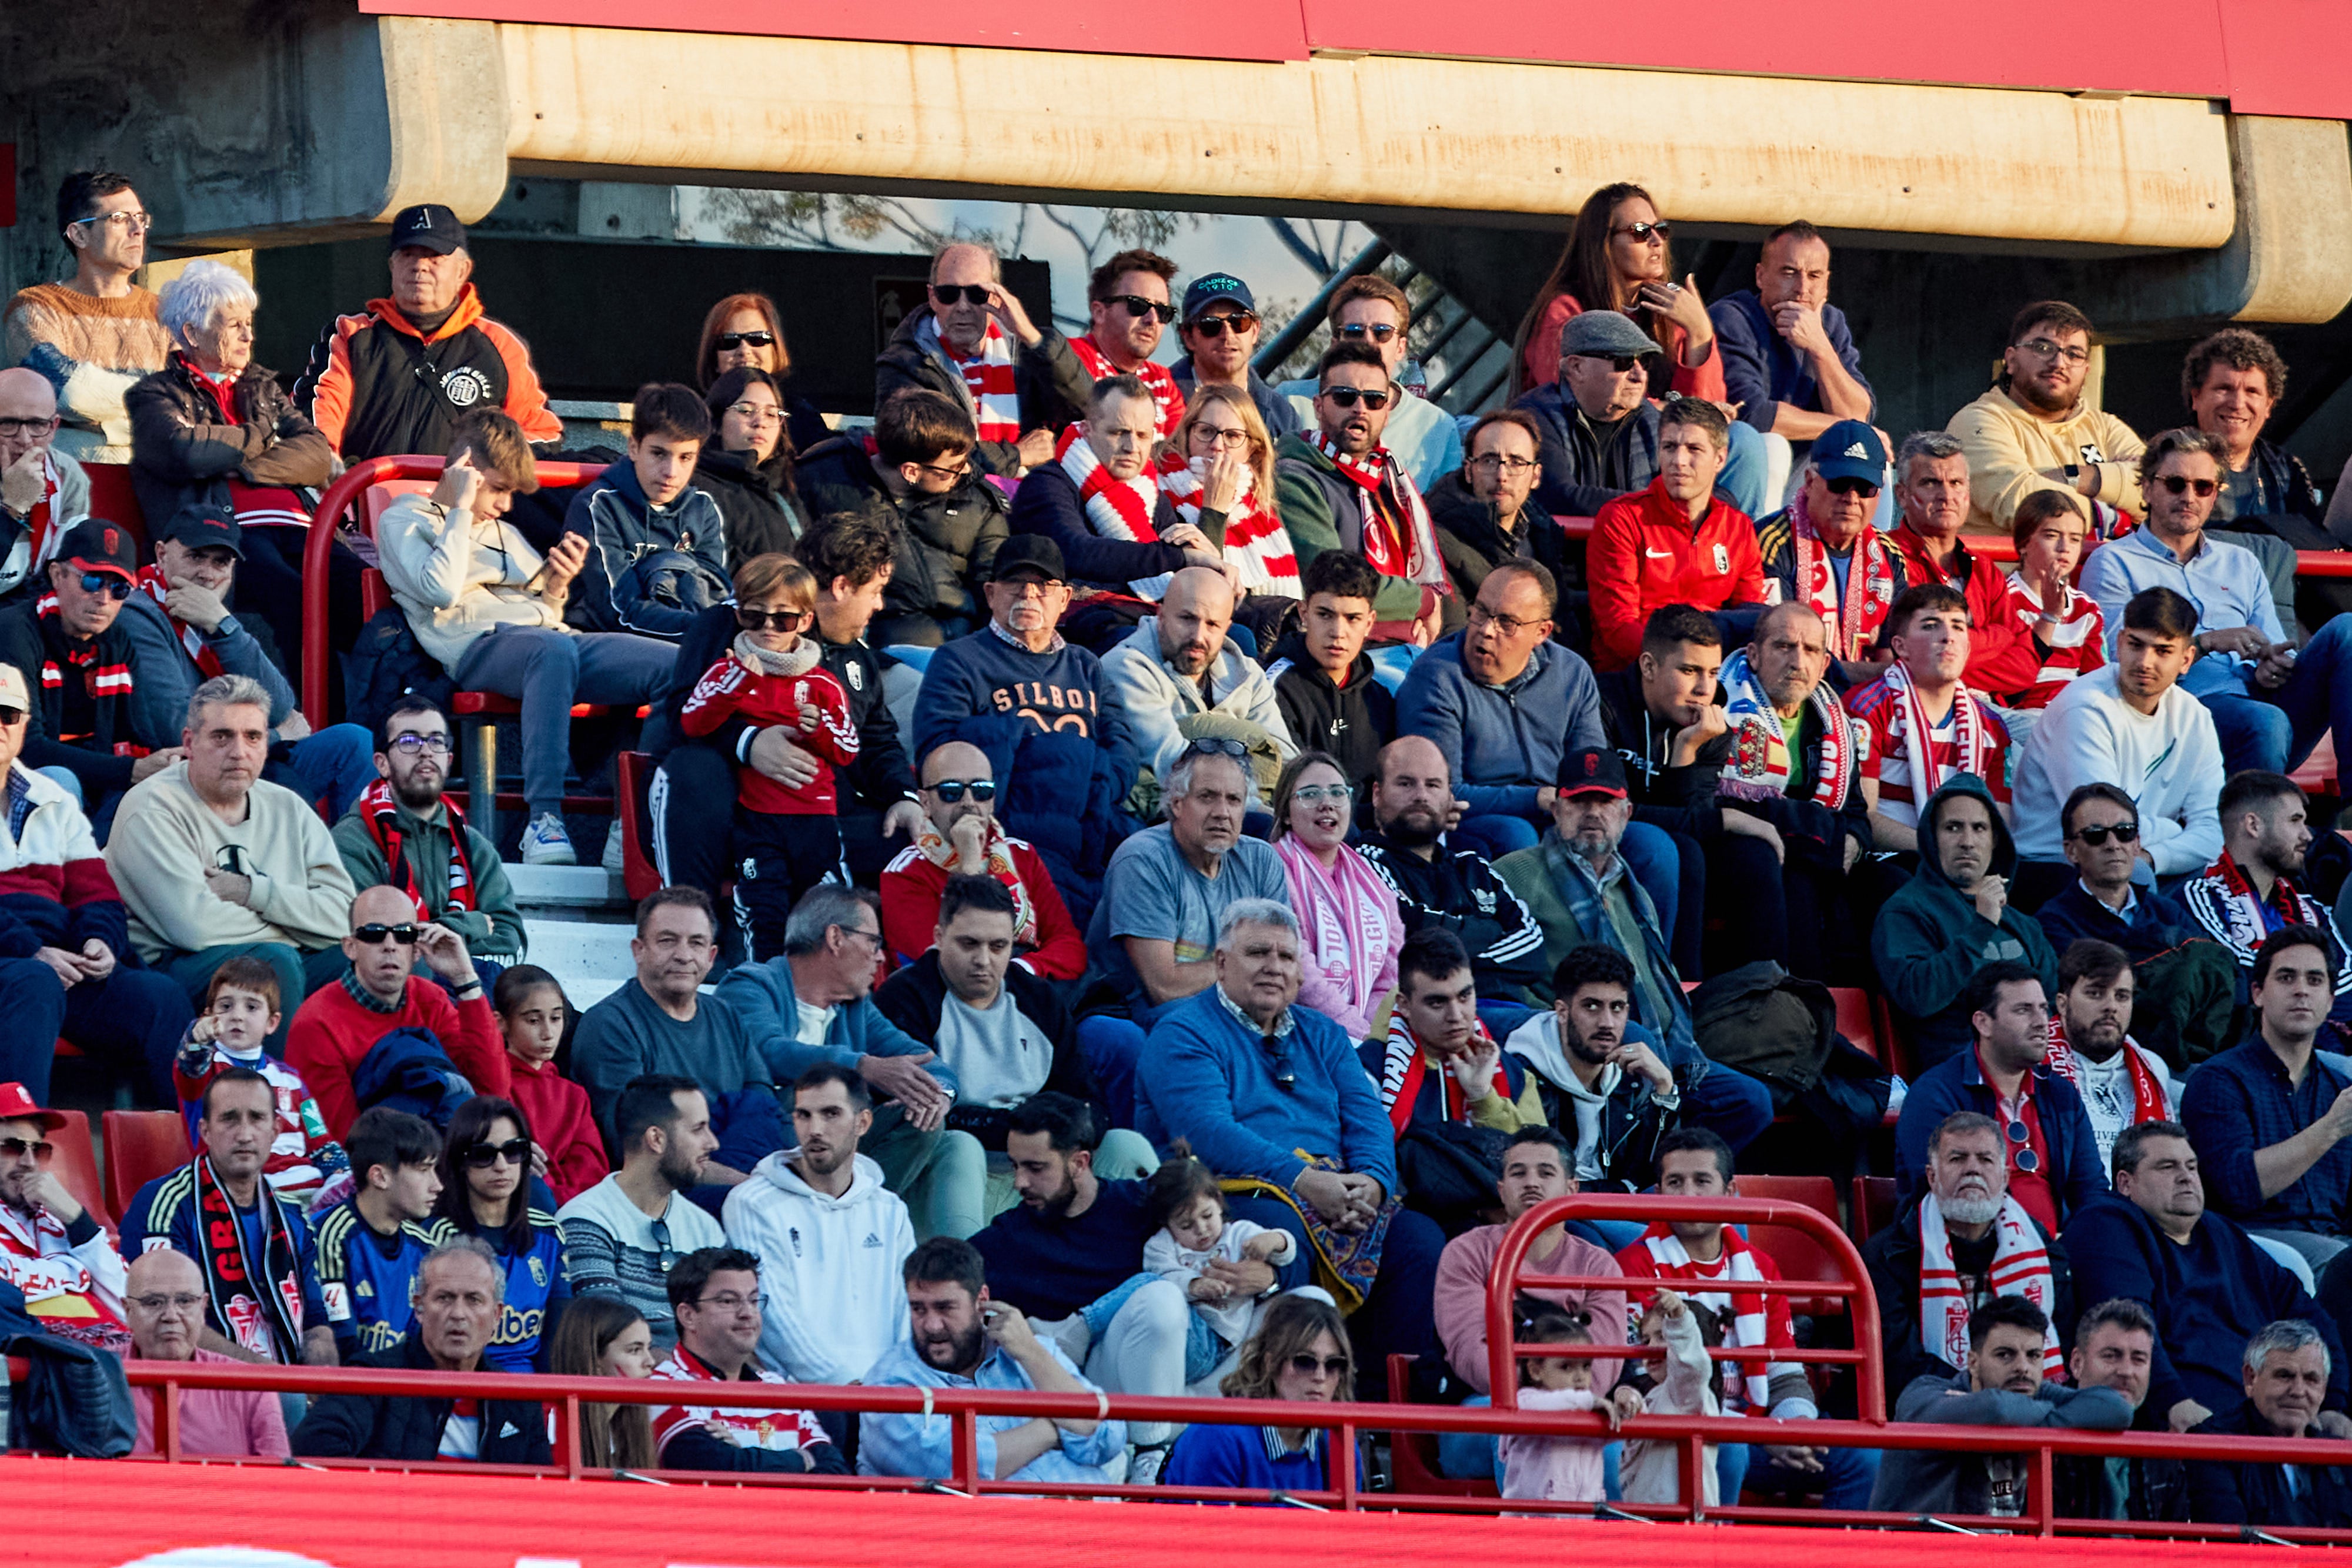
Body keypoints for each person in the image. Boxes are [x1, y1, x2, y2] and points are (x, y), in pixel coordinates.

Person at [1135, 899, 1446, 1384]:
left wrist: (1371, 1184)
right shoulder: (1181, 1032)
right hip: (1230, 1192)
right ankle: (1288, 1413)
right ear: (1220, 963)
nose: (1274, 967)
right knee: (1283, 1233)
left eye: (1286, 956)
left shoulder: (1323, 1032)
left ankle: (1383, 1425)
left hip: (1335, 1186)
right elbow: (1208, 1133)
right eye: (1258, 952)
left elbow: (1369, 1120)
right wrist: (1306, 1182)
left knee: (1419, 1242)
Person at [376, 410, 674, 867]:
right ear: (466, 471)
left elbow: (547, 612)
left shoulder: (506, 531)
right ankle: (545, 819)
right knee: (550, 652)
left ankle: (629, 822)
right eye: (497, 488)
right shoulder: (405, 518)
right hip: (478, 648)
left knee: (676, 665)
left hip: (549, 642)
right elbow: (440, 589)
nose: (506, 505)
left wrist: (557, 584)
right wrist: (459, 506)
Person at [652, 516, 920, 902]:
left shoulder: (858, 659)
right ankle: (693, 928)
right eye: (876, 591)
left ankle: (870, 955)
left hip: (816, 819)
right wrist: (750, 744)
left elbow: (877, 740)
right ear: (843, 587)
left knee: (913, 840)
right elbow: (681, 715)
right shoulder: (731, 623)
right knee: (694, 768)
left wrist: (903, 795)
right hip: (734, 815)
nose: (879, 605)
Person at [970, 1092, 1235, 1467]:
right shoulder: (1008, 1240)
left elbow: (1225, 1230)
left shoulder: (1142, 1206)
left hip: (1184, 1377)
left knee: (1305, 1304)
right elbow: (945, 1275)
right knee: (1158, 1296)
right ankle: (1151, 1453)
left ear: (1080, 1162)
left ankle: (1174, 1430)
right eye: (1015, 1166)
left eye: (1035, 1168)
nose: (1020, 1182)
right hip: (1096, 1400)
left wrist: (1272, 1274)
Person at [1620, 1126, 1876, 1506]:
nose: (1689, 1195)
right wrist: (1760, 1436)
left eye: (1702, 1181)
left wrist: (1795, 1430)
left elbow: (1785, 1374)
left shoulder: (1760, 1267)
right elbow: (1646, 1384)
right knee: (1729, 1452)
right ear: (1657, 1195)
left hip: (1762, 1433)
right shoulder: (1633, 1265)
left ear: (1730, 1193)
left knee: (1865, 1459)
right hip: (1681, 1432)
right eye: (1676, 1182)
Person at [2080, 427, 2352, 781]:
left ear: (2214, 495)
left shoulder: (2243, 562)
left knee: (2346, 629)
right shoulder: (2114, 562)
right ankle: (2257, 830)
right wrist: (2206, 644)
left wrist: (2274, 665)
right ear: (2147, 488)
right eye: (2176, 484)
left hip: (2265, 703)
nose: (2189, 497)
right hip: (2182, 714)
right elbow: (2115, 664)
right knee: (2265, 722)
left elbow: (2272, 646)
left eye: (2203, 487)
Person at [715, 884, 977, 1237]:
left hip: (834, 1151)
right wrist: (861, 1067)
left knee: (936, 1128)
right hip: (769, 1149)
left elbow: (932, 1064)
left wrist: (937, 1095)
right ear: (836, 938)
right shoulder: (750, 985)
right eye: (873, 942)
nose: (881, 957)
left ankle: (861, 1228)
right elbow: (769, 1050)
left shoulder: (856, 1008)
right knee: (820, 1098)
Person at [106, 674, 357, 1035]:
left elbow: (344, 916)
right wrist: (301, 922)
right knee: (273, 965)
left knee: (381, 956)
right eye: (222, 737)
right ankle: (270, 1090)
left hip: (279, 955)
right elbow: (195, 927)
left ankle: (388, 1085)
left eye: (253, 737)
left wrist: (250, 892)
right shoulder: (152, 808)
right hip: (174, 969)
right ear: (190, 743)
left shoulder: (290, 807)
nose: (239, 752)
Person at [2066, 1121, 2348, 1430]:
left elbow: (2309, 1317)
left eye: (2191, 1166)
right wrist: (2172, 1402)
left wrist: (2333, 1403)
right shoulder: (2106, 1225)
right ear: (2125, 1183)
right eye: (2167, 1167)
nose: (2185, 1176)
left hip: (2263, 1422)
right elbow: (2128, 1325)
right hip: (2183, 1428)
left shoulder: (2222, 1233)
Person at [909, 536, 1140, 910]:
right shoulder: (958, 660)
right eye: (1015, 582)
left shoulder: (1087, 666)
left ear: (1065, 599)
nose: (1028, 593)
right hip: (1008, 822)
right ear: (990, 594)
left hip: (1090, 817)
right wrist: (1049, 758)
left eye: (1044, 585)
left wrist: (1091, 788)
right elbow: (937, 752)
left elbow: (1123, 746)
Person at [125, 260, 333, 664]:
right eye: (234, 324)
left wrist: (244, 465)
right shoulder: (155, 395)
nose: (249, 335)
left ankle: (366, 723)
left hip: (304, 526)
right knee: (295, 594)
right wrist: (262, 436)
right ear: (192, 333)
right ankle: (311, 721)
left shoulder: (262, 388)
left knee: (360, 589)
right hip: (233, 535)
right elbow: (185, 451)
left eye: (249, 323)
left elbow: (317, 454)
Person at [0, 664, 189, 1106]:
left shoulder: (54, 798)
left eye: (8, 715)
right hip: (20, 964)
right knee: (34, 983)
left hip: (60, 963)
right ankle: (17, 1154)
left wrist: (98, 941)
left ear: (25, 725)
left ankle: (197, 1159)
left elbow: (97, 893)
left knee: (161, 998)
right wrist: (31, 948)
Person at [119, 502, 372, 820]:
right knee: (284, 782)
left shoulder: (214, 616)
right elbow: (177, 728)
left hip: (239, 756)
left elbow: (280, 704)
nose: (207, 574)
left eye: (221, 562)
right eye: (195, 556)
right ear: (161, 554)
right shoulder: (137, 614)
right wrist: (277, 738)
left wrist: (222, 624)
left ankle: (353, 863)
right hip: (181, 771)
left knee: (353, 742)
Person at [1081, 741, 1288, 1119]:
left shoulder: (1261, 862)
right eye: (1207, 797)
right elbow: (1164, 987)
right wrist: (1246, 966)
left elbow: (1284, 972)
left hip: (1229, 1017)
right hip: (1132, 1013)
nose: (1222, 813)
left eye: (1234, 800)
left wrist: (1256, 974)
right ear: (1177, 803)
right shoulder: (1143, 859)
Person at [876, 877, 1132, 1167]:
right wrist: (1031, 1127)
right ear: (939, 937)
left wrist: (1053, 1132)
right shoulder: (905, 998)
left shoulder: (1039, 1000)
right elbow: (919, 1114)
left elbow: (1088, 1103)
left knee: (1125, 1146)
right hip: (954, 1164)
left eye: (998, 946)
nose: (983, 960)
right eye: (969, 944)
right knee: (962, 1148)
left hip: (1043, 1161)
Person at [678, 552, 856, 957]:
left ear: (806, 621)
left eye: (784, 619)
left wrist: (821, 728)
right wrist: (739, 683)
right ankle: (766, 994)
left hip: (817, 823)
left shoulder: (824, 683)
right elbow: (692, 722)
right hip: (758, 821)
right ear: (739, 615)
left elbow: (848, 749)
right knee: (765, 915)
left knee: (831, 918)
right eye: (755, 616)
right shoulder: (727, 670)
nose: (768, 627)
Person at [293, 203, 562, 462]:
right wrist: (328, 468)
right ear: (392, 266)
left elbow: (544, 435)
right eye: (408, 253)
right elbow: (314, 422)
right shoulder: (350, 336)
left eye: (434, 256)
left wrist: (483, 467)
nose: (419, 265)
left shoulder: (501, 346)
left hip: (463, 504)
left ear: (462, 271)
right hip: (364, 500)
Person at [1429, 1126, 1623, 1477]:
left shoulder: (1600, 1264)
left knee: (1615, 1457)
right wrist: (1546, 1402)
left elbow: (1603, 1368)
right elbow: (1472, 1356)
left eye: (1546, 1173)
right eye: (1518, 1174)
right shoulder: (1466, 1253)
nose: (1531, 1182)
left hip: (1579, 1407)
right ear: (1502, 1192)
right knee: (1523, 1431)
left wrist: (1558, 1402)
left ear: (1572, 1189)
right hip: (1484, 1408)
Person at [859, 1235, 1127, 1483]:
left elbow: (1106, 1440)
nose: (931, 1325)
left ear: (981, 1301)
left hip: (1093, 1517)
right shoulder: (890, 1381)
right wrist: (1052, 1428)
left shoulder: (1029, 1351)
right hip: (1000, 1528)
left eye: (945, 1308)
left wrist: (1032, 1354)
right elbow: (956, 1469)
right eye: (918, 1309)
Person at [119, 1067, 337, 1368]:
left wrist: (322, 1385)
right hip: (201, 1391)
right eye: (230, 1119)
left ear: (275, 1131)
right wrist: (273, 1382)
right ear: (205, 1131)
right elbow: (167, 1324)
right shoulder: (165, 1203)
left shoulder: (293, 1215)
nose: (245, 1134)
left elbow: (316, 1325)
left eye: (257, 1119)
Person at [721, 1062, 917, 1386]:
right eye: (803, 1115)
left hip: (888, 1398)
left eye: (831, 1114)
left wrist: (892, 1386)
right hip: (799, 1400)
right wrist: (843, 1386)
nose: (815, 1129)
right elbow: (772, 1313)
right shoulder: (752, 1202)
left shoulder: (890, 1210)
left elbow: (907, 1309)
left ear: (863, 1122)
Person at [2010, 589, 2226, 881]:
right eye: (2136, 645)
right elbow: (2102, 827)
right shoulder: (2083, 708)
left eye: (2163, 651)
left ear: (2187, 659)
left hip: (2141, 860)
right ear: (2120, 642)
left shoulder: (2195, 717)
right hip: (2055, 868)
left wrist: (2154, 858)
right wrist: (2176, 830)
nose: (2145, 662)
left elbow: (2212, 831)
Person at [1710, 601, 1875, 977]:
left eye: (1811, 650)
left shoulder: (1834, 721)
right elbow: (1712, 803)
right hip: (1741, 851)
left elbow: (1855, 815)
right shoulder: (1719, 706)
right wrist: (1818, 832)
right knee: (1789, 874)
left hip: (1817, 853)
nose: (1798, 662)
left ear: (1823, 663)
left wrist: (1852, 841)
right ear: (1753, 655)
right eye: (1784, 647)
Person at [291, 1236, 553, 1463]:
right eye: (444, 1298)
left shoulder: (518, 1401)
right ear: (419, 1308)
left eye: (474, 1300)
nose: (458, 1314)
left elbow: (543, 1493)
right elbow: (315, 1445)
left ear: (497, 1315)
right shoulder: (373, 1379)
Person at [1863, 1111, 2071, 1396]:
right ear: (1932, 1177)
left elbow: (2064, 1339)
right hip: (1927, 1413)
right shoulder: (1887, 1256)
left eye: (1985, 1160)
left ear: (2004, 1176)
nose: (1972, 1169)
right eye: (1958, 1159)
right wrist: (1982, 1396)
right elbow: (1899, 1364)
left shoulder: (2047, 1254)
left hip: (2029, 1408)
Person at [2181, 926, 2352, 1273]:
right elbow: (2237, 1189)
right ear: (2258, 993)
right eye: (2287, 978)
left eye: (2315, 980)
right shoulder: (2219, 1080)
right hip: (2253, 1245)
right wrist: (2331, 1129)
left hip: (2333, 1242)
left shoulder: (2339, 1089)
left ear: (2331, 1002)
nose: (2302, 990)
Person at [571, 887, 776, 1175]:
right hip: (662, 1193)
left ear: (712, 956)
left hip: (740, 1171)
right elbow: (633, 1143)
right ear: (638, 950)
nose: (684, 955)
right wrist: (746, 1186)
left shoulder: (726, 1015)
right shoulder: (610, 1024)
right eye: (668, 941)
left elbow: (762, 1109)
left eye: (696, 943)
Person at [1867, 1295, 2131, 1517]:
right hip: (1915, 1554)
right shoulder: (1924, 1393)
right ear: (1973, 1362)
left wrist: (2035, 1415)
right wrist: (2048, 1417)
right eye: (2005, 1355)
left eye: (2033, 1356)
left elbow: (2117, 1408)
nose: (2022, 1367)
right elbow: (1997, 1409)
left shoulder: (2034, 1392)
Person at [283, 884, 507, 1141]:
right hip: (376, 1163)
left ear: (416, 950)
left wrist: (466, 981)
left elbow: (492, 1091)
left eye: (404, 934)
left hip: (450, 1149)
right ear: (350, 947)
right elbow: (341, 1138)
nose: (390, 945)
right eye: (374, 933)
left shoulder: (432, 999)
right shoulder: (315, 1023)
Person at [1894, 960, 2104, 1232]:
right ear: (1984, 1023)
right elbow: (1942, 1196)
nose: (2041, 1022)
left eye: (2043, 1009)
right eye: (2023, 1010)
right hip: (1970, 1252)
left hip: (2062, 1255)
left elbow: (2090, 1191)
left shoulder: (2061, 1094)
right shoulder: (1935, 1094)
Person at [2034, 785, 2236, 1068]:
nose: (2113, 844)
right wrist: (2168, 958)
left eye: (2124, 832)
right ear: (2071, 851)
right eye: (2096, 835)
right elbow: (2091, 1001)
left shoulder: (2169, 911)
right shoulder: (2052, 921)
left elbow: (2216, 974)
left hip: (2194, 1054)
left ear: (2137, 843)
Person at [1870, 773, 2059, 1069]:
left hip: (2034, 1075)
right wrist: (1981, 927)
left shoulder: (2024, 925)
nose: (1967, 842)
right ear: (1932, 838)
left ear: (1995, 839)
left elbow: (2054, 1009)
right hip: (1957, 1078)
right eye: (1953, 828)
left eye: (1979, 828)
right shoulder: (1906, 912)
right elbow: (1918, 997)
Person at [797, 387, 1009, 648]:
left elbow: (996, 582)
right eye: (953, 468)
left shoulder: (976, 499)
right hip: (874, 645)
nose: (966, 471)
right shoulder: (821, 481)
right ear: (911, 471)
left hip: (966, 647)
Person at [0, 517, 181, 821]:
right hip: (23, 778)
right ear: (57, 575)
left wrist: (164, 763)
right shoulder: (13, 632)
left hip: (98, 776)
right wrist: (131, 770)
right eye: (92, 581)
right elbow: (27, 747)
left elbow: (140, 731)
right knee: (60, 782)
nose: (104, 599)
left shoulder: (118, 640)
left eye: (120, 588)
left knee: (159, 792)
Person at [331, 697, 524, 979]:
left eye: (436, 741)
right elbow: (378, 939)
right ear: (382, 764)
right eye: (409, 742)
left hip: (469, 976)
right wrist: (472, 925)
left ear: (449, 761)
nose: (425, 752)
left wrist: (442, 939)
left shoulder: (474, 845)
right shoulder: (353, 840)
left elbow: (511, 935)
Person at [1275, 342, 1452, 645]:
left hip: (1408, 644)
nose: (1360, 408)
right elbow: (1338, 583)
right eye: (1345, 397)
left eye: (1374, 400)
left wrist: (1435, 606)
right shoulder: (1295, 478)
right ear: (1318, 407)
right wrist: (1424, 602)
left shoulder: (1392, 479)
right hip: (1340, 650)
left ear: (1386, 412)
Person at [1355, 735, 1549, 1009]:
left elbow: (1534, 950)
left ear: (1450, 798)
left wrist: (1448, 959)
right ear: (1377, 794)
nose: (1421, 795)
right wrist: (1491, 929)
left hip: (1513, 1015)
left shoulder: (1476, 868)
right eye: (1405, 783)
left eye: (1433, 785)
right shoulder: (1365, 865)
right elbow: (1413, 937)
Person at [1087, 1151, 1298, 1399]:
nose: (1201, 1230)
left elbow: (1288, 1253)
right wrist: (1194, 1285)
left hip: (1213, 1345)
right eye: (1186, 1226)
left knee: (1148, 1285)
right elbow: (1161, 1278)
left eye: (1207, 1216)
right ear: (1167, 1225)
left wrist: (1275, 1240)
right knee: (1150, 1285)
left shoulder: (1239, 1234)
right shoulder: (1161, 1246)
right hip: (1169, 1344)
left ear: (1219, 1202)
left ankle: (1083, 1325)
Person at [874, 242, 1094, 478]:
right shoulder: (905, 362)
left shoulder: (1025, 353)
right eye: (949, 294)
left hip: (1032, 497)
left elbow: (1090, 413)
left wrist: (1033, 339)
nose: (963, 307)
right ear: (932, 297)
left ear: (997, 296)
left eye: (977, 294)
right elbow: (925, 457)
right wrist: (1018, 455)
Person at [1586, 394, 1765, 673]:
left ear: (1720, 459)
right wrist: (1684, 667)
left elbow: (1750, 618)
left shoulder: (1739, 528)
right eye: (1669, 447)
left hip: (1715, 672)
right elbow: (1619, 629)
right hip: (1638, 672)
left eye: (1694, 449)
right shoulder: (1621, 519)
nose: (1679, 461)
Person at [879, 741, 1085, 980]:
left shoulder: (1022, 855)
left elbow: (1070, 947)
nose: (969, 802)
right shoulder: (904, 874)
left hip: (1029, 990)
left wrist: (1021, 971)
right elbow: (945, 969)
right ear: (925, 803)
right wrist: (969, 867)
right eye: (951, 791)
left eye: (982, 790)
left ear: (993, 800)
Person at [2, 170, 170, 463]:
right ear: (79, 234)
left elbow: (191, 403)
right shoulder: (36, 308)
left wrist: (99, 426)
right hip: (70, 486)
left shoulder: (166, 313)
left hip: (156, 485)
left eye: (141, 218)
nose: (137, 229)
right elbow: (71, 395)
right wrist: (152, 407)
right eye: (119, 218)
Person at [1511, 182, 1725, 406]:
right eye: (1640, 232)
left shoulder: (1670, 312)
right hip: (1582, 437)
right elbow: (1582, 400)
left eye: (1661, 229)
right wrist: (1662, 411)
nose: (1657, 241)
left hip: (1666, 437)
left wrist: (1700, 331)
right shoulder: (1566, 310)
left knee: (1740, 434)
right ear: (1604, 244)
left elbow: (1707, 418)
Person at [1009, 375, 1214, 607]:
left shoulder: (1151, 493)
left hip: (1151, 615)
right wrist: (1180, 558)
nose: (1131, 447)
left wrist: (1206, 559)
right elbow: (1078, 552)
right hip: (1081, 622)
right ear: (1087, 430)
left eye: (1142, 435)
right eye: (1118, 433)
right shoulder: (1046, 484)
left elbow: (1182, 563)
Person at [555, 1074, 724, 1354]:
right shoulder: (585, 1221)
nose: (713, 1143)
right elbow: (614, 1339)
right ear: (656, 1139)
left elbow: (722, 1330)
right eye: (698, 1129)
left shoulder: (706, 1228)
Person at [1947, 300, 2145, 535]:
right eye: (2043, 348)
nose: (2059, 363)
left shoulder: (2105, 427)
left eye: (2074, 354)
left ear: (2086, 371)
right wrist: (2108, 517)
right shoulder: (1978, 421)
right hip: (2008, 571)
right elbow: (2021, 503)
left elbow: (2161, 488)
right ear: (2010, 361)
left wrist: (2077, 477)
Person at [647, 1245, 846, 1473]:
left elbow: (835, 1470)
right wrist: (800, 1461)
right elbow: (708, 1464)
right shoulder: (663, 1386)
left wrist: (742, 1452)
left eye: (753, 1300)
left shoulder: (780, 1388)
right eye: (728, 1301)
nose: (747, 1313)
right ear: (688, 1316)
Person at [1846, 584, 2014, 855]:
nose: (1948, 637)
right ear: (1900, 646)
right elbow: (1862, 816)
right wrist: (1940, 852)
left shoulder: (1992, 728)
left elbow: (1998, 823)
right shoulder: (1866, 709)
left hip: (1966, 862)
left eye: (1958, 626)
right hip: (1888, 861)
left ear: (1968, 648)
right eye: (1930, 626)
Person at [171, 957, 346, 1211]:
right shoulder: (207, 1067)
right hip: (242, 1195)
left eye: (251, 1007)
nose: (237, 1017)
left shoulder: (292, 1079)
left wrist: (342, 1177)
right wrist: (196, 1037)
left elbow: (319, 1138)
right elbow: (189, 1069)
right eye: (226, 1006)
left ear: (272, 1023)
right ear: (208, 1016)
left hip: (310, 1194)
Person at [1368, 928, 1544, 1174]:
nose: (1456, 1016)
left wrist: (1483, 1097)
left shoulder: (1515, 1075)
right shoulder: (1368, 1069)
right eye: (1437, 1003)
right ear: (1404, 1006)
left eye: (1465, 996)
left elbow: (1541, 1169)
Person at [1100, 565, 1294, 787]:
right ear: (1161, 616)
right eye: (1187, 619)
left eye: (1212, 625)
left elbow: (1286, 762)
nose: (1198, 636)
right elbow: (1173, 763)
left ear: (1227, 628)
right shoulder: (1126, 668)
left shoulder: (1249, 676)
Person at [563, 382, 727, 641]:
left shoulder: (703, 508)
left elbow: (714, 592)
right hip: (604, 640)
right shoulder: (598, 506)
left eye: (685, 458)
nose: (671, 472)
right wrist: (702, 629)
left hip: (687, 639)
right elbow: (618, 609)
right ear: (634, 448)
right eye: (659, 454)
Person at [2176, 771, 2352, 1004]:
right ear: (2253, 825)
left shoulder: (2311, 909)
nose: (2307, 835)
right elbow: (2237, 978)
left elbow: (2346, 974)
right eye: (2294, 821)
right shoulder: (2200, 899)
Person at [1275, 274, 1462, 490]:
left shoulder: (1437, 427)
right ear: (1335, 343)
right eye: (1355, 332)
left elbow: (1446, 513)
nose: (1369, 342)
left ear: (1401, 347)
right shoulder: (1288, 402)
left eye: (1382, 332)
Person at [1756, 423, 1908, 687]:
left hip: (1869, 705)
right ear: (1810, 482)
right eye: (1839, 483)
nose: (1851, 498)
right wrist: (1878, 673)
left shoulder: (1890, 556)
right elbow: (1781, 656)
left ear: (1879, 493)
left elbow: (1895, 658)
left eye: (1865, 488)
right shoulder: (1770, 542)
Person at [1161, 1293, 1358, 1497]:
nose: (1320, 1376)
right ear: (1271, 1363)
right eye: (1305, 1362)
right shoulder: (1218, 1437)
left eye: (1334, 1364)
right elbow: (1206, 1528)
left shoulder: (1341, 1444)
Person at [1708, 220, 1876, 451]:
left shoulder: (1830, 322)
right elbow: (1752, 414)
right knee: (1774, 445)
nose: (1802, 288)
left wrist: (1819, 347)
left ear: (1826, 283)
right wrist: (1850, 429)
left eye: (1814, 275)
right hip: (1744, 460)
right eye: (1789, 272)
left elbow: (1860, 412)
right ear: (1760, 276)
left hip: (1810, 464)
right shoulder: (1732, 318)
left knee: (1869, 455)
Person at [430, 1094, 566, 1371]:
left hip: (532, 1394)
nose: (502, 1166)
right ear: (460, 1162)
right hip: (459, 1387)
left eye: (513, 1151)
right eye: (484, 1155)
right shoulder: (431, 1238)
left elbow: (558, 1339)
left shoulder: (549, 1234)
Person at [1273, 751, 1401, 1042]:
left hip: (1369, 1030)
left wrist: (1377, 1031)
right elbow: (1298, 969)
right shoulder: (1273, 869)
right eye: (1310, 794)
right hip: (1304, 1025)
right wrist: (1354, 1029)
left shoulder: (1373, 880)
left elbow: (1388, 978)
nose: (1326, 803)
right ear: (1285, 814)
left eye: (1337, 793)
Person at [125, 1246, 293, 1459]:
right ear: (128, 1311)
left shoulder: (251, 1388)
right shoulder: (92, 1378)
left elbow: (277, 1483)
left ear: (203, 1309)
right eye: (154, 1303)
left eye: (185, 1301)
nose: (171, 1315)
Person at [1152, 380, 1305, 609]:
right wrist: (1214, 509)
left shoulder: (1261, 508)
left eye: (1232, 436)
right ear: (1187, 435)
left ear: (1252, 449)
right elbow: (1200, 590)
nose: (1217, 445)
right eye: (1206, 432)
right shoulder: (1160, 492)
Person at [312, 1106, 447, 1362]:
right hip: (352, 1387)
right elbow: (342, 1339)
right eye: (423, 1170)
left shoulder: (424, 1246)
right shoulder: (331, 1236)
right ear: (380, 1177)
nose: (437, 1185)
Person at [0, 1079, 127, 1349]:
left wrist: (77, 1218)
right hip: (42, 1372)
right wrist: (75, 1272)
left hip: (116, 1364)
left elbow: (132, 1305)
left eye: (39, 1149)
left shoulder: (62, 1221)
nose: (29, 1162)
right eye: (13, 1147)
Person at [1506, 310, 1667, 522]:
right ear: (1577, 367)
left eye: (1644, 362)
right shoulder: (1533, 416)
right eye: (1624, 363)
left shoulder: (1649, 419)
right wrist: (1660, 505)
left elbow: (1702, 490)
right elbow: (1559, 497)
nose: (1639, 376)